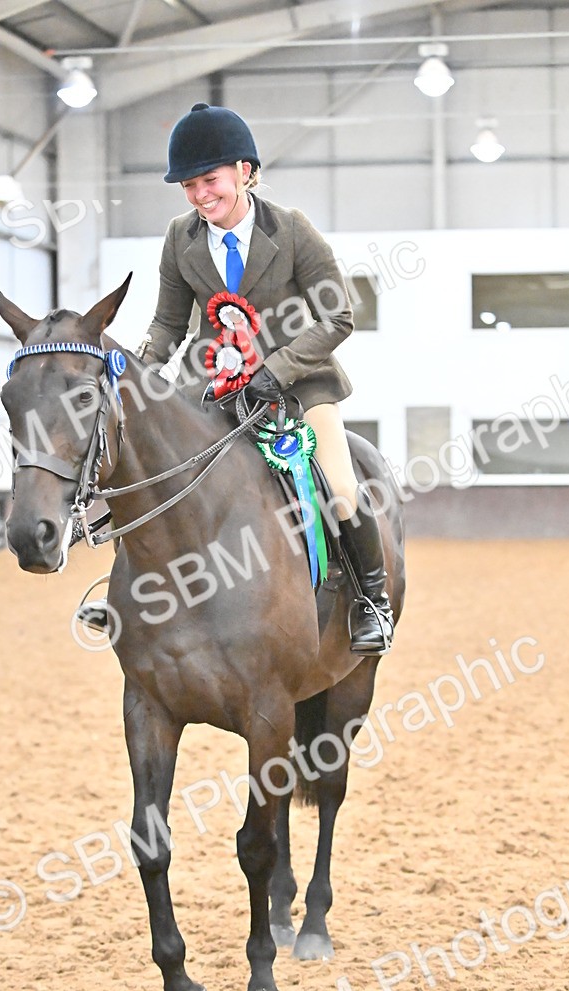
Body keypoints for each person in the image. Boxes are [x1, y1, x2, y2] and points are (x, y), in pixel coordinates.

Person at [139, 103, 394, 655]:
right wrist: (143, 371)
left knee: (342, 491)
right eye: (188, 186)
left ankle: (373, 599)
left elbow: (339, 315)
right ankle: (130, 597)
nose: (200, 196)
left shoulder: (293, 229)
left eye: (210, 180)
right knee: (152, 468)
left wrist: (276, 371)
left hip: (299, 385)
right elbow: (167, 322)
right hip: (212, 383)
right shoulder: (179, 237)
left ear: (244, 171)